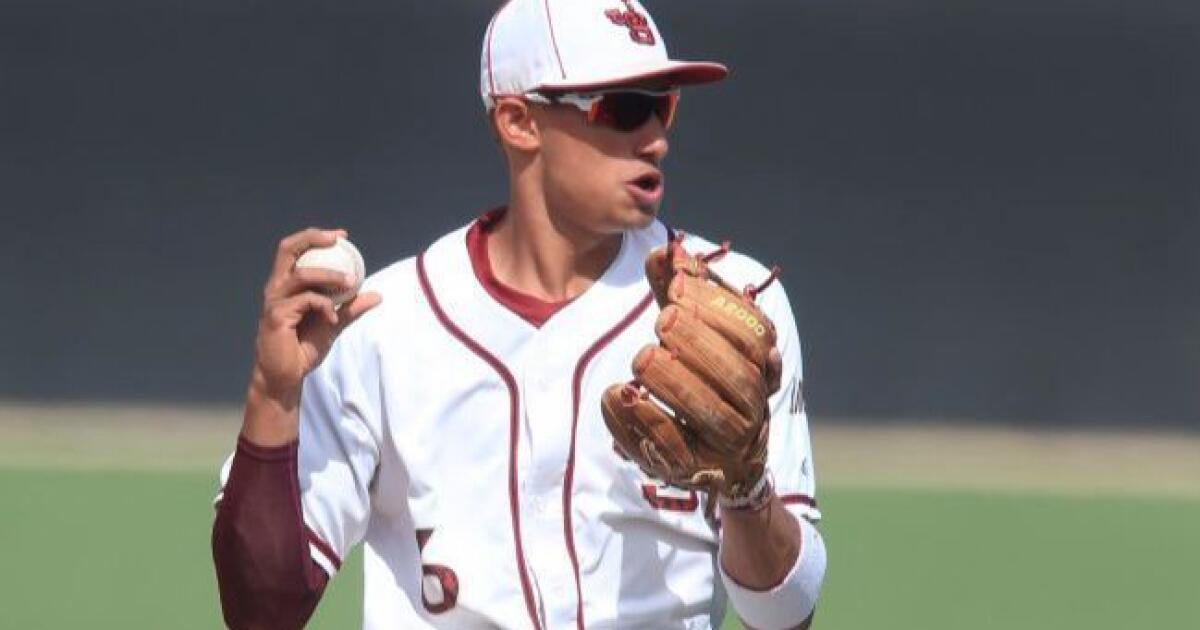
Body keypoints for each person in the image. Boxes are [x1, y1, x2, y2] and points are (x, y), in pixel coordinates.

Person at [211, 1, 826, 628]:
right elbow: (262, 612)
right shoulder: (382, 326)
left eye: (662, 103)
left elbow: (785, 615)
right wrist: (273, 393)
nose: (656, 137)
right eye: (622, 107)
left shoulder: (734, 301)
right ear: (517, 120)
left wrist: (747, 493)